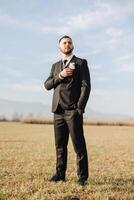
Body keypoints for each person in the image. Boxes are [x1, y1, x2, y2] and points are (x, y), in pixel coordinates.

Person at [44, 35, 91, 186]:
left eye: (69, 42)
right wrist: (60, 75)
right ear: (59, 47)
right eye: (64, 43)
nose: (67, 44)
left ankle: (82, 178)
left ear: (72, 46)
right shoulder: (55, 66)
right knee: (59, 145)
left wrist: (80, 107)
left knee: (79, 145)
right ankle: (60, 174)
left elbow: (86, 86)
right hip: (57, 110)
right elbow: (47, 85)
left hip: (73, 111)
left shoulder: (81, 63)